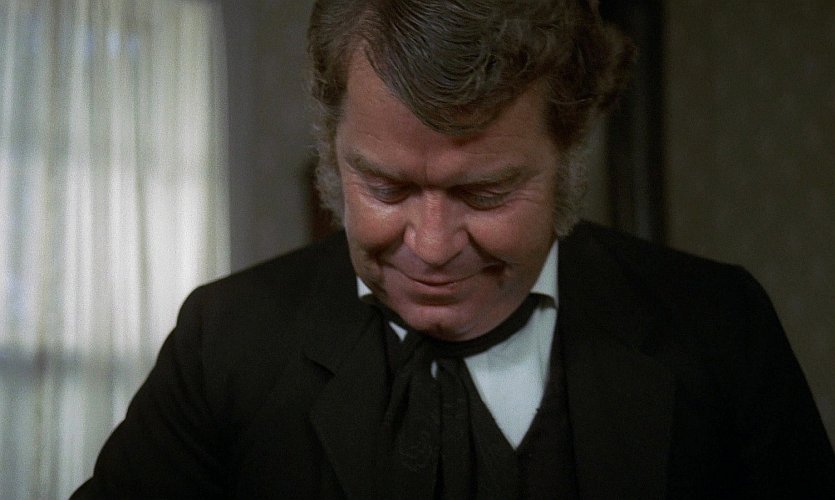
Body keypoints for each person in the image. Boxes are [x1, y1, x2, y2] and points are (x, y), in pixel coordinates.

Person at [74, 0, 835, 498]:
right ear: (332, 150)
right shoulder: (225, 338)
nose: (431, 248)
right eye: (386, 187)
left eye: (486, 193)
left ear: (569, 159)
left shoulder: (719, 325)